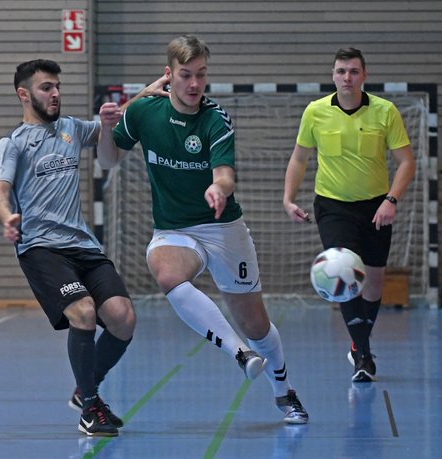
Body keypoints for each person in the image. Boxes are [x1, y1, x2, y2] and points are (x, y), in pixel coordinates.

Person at [96, 34, 308, 424]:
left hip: (222, 227)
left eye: (201, 75)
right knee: (166, 272)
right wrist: (107, 129)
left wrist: (218, 188)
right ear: (169, 75)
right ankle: (239, 353)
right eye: (186, 75)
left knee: (256, 324)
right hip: (174, 229)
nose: (194, 84)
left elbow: (225, 174)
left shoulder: (214, 118)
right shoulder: (143, 111)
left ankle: (285, 391)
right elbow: (108, 161)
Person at [0, 59, 162, 436]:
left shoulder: (70, 128)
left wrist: (146, 92)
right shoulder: (12, 143)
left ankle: (85, 390)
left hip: (83, 245)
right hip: (41, 248)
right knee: (83, 312)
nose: (55, 94)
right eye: (46, 87)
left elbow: (112, 119)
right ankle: (91, 408)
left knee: (123, 318)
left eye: (57, 87)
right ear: (24, 94)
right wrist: (7, 217)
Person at [283, 47, 416, 383]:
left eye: (354, 71)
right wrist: (288, 199)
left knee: (373, 281)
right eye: (341, 71)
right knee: (343, 273)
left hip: (376, 206)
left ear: (364, 75)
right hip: (333, 206)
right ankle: (363, 356)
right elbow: (299, 158)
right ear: (333, 75)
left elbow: (406, 162)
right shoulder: (315, 112)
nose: (347, 78)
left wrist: (391, 200)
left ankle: (359, 345)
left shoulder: (385, 111)